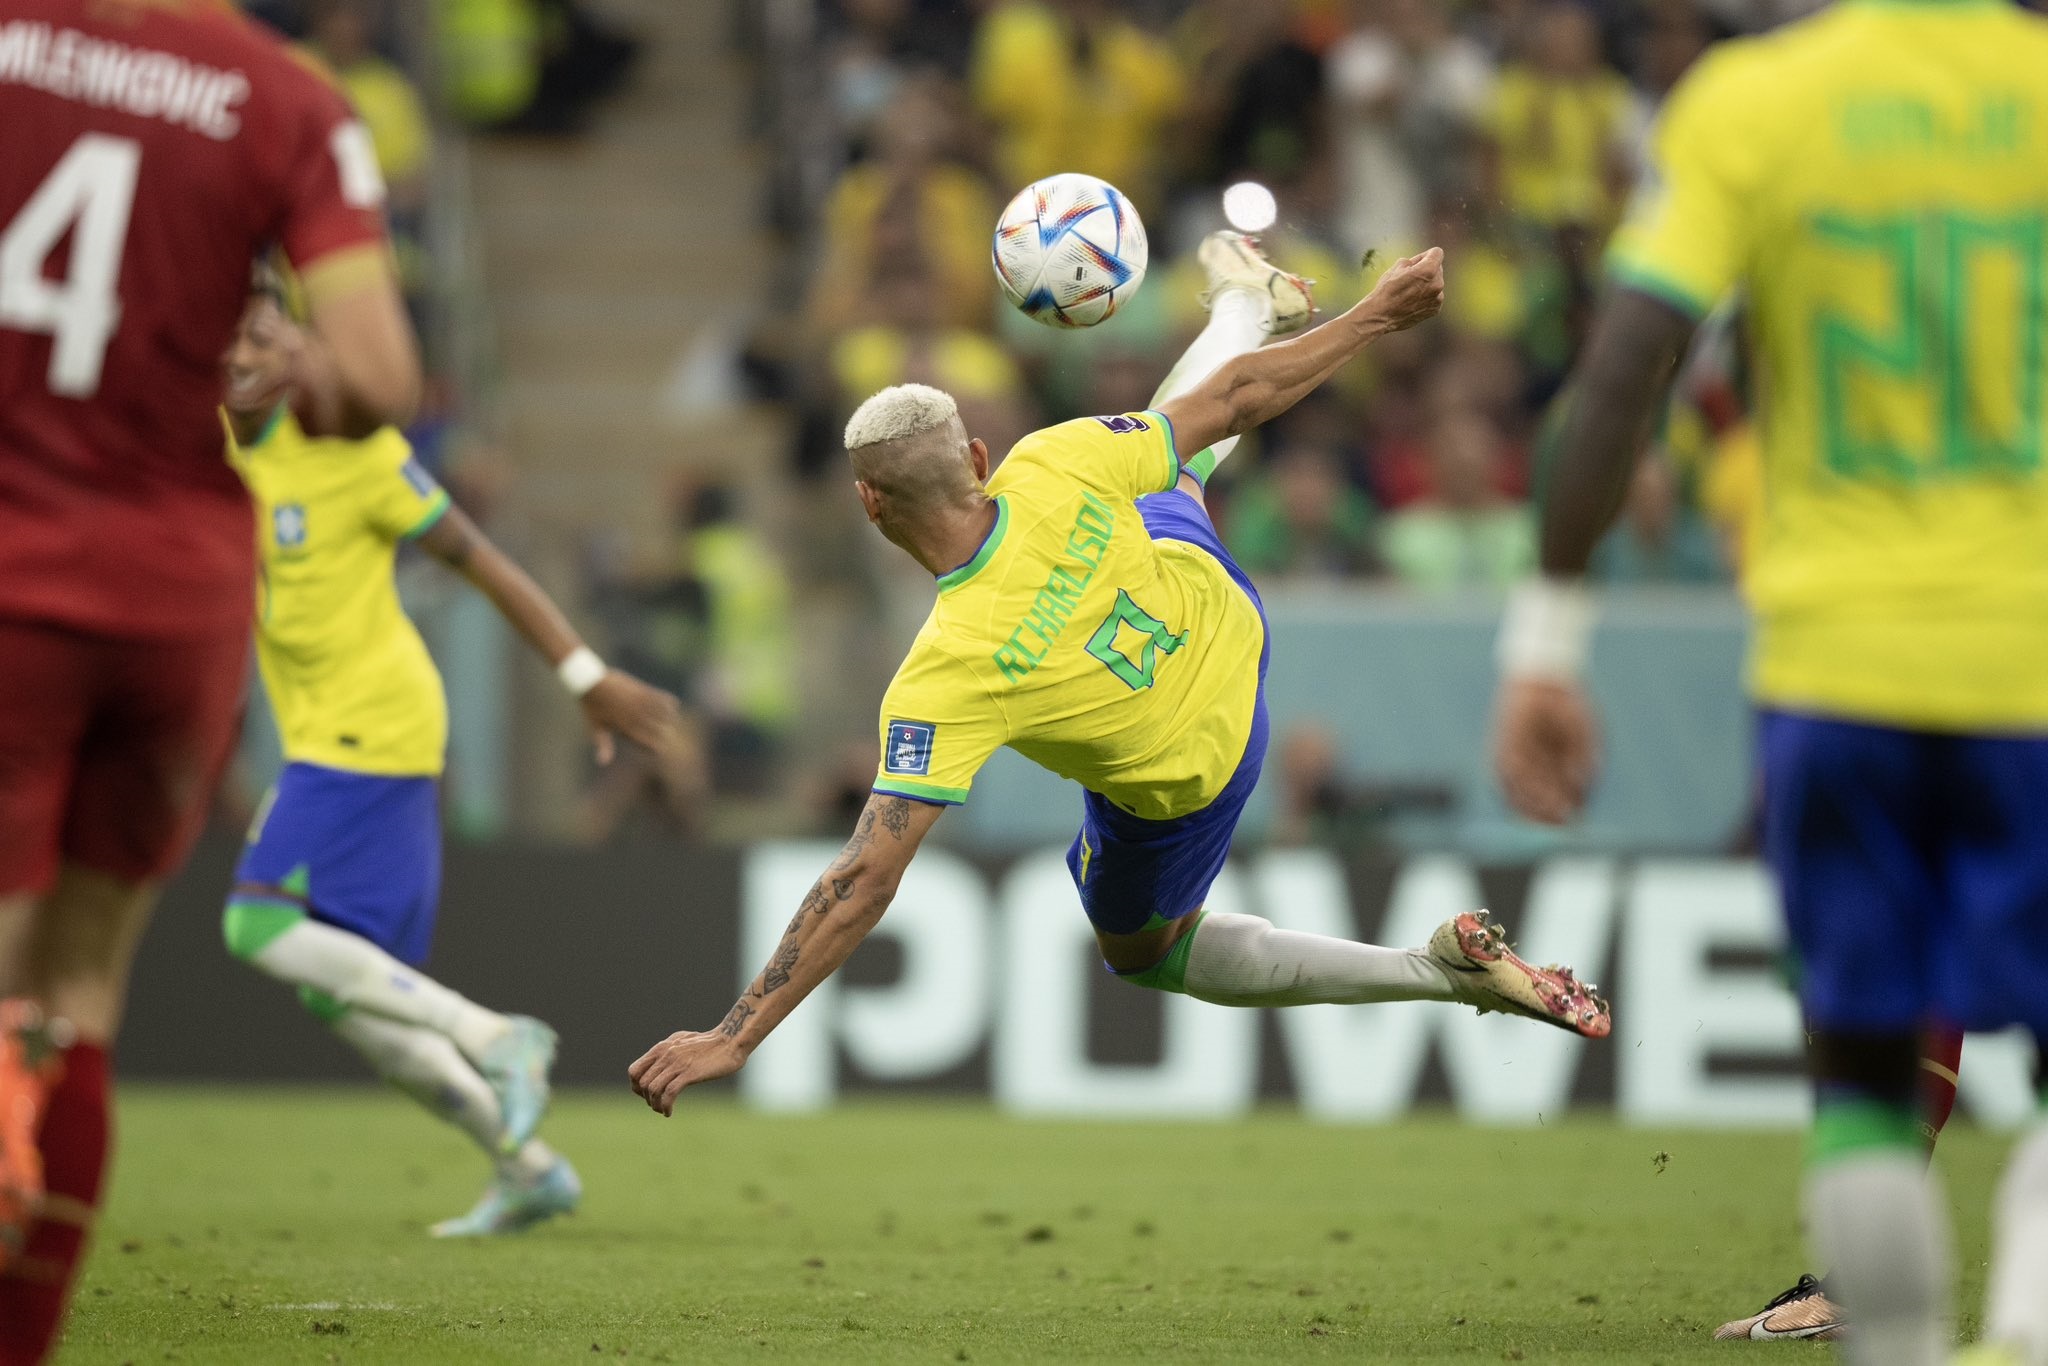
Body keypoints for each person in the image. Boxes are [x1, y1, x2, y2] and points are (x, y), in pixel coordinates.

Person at [630, 234, 1610, 1120]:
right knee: (1171, 458)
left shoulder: (942, 675)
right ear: (975, 456)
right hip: (1217, 611)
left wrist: (735, 1033)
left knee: (1148, 951)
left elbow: (862, 879)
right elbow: (1234, 400)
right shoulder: (1048, 460)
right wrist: (1375, 316)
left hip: (1196, 764)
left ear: (868, 504)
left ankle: (1434, 971)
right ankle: (1241, 301)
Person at [1488, 2, 2048, 1362]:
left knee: (1858, 1064)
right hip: (2031, 660)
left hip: (1832, 664)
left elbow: (1626, 365)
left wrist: (1548, 637)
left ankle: (1885, 1332)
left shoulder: (1755, 102)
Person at [0, 2, 422, 1358]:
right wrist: (294, 366)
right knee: (79, 993)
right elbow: (376, 376)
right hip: (174, 602)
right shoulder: (287, 103)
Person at [218, 287, 685, 1235]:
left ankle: (497, 1035)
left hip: (377, 725)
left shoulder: (357, 457)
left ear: (303, 347)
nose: (241, 349)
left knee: (253, 926)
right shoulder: (216, 454)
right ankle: (529, 1166)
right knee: (343, 995)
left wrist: (584, 672)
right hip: (320, 732)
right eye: (226, 331)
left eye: (264, 330)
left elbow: (482, 561)